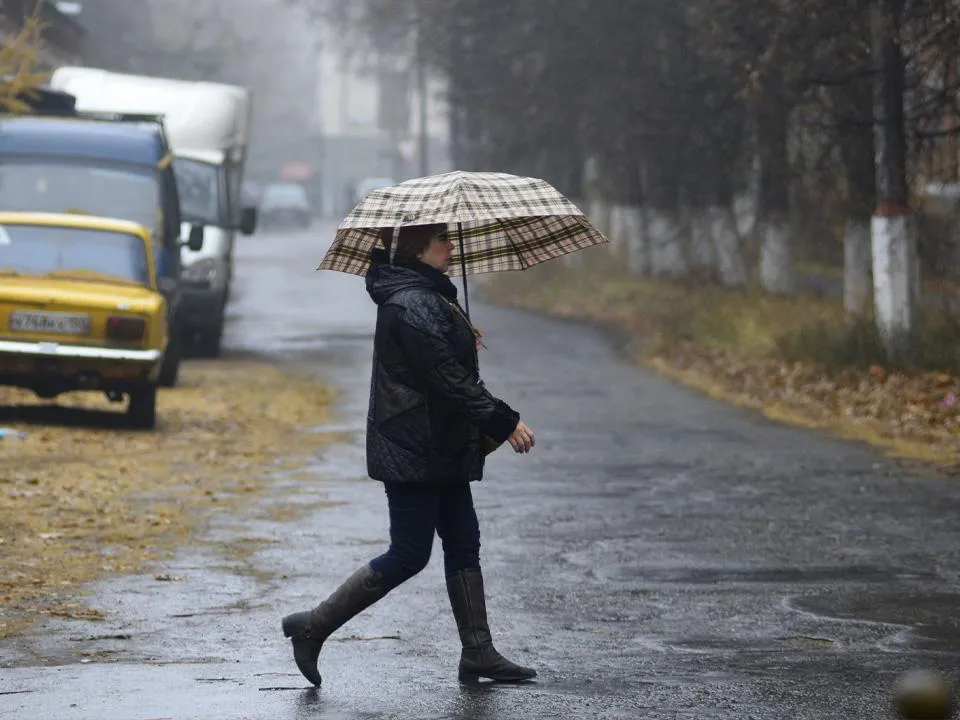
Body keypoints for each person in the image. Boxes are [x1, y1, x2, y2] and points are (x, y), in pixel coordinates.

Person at [282, 223, 537, 686]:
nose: (451, 247)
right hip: (413, 446)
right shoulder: (413, 301)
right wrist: (503, 420)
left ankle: (478, 651)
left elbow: (439, 364)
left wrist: (463, 336)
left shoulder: (426, 295)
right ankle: (312, 627)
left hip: (438, 443)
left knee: (463, 540)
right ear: (419, 248)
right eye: (444, 240)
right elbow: (446, 377)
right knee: (409, 553)